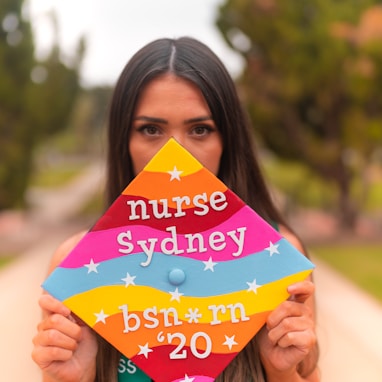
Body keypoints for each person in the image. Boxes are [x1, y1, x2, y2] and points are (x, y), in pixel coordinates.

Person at [32, 37, 320, 382]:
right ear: (124, 140)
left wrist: (280, 369)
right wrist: (71, 377)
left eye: (200, 129)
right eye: (151, 129)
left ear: (227, 141)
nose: (176, 155)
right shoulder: (76, 263)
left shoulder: (277, 257)